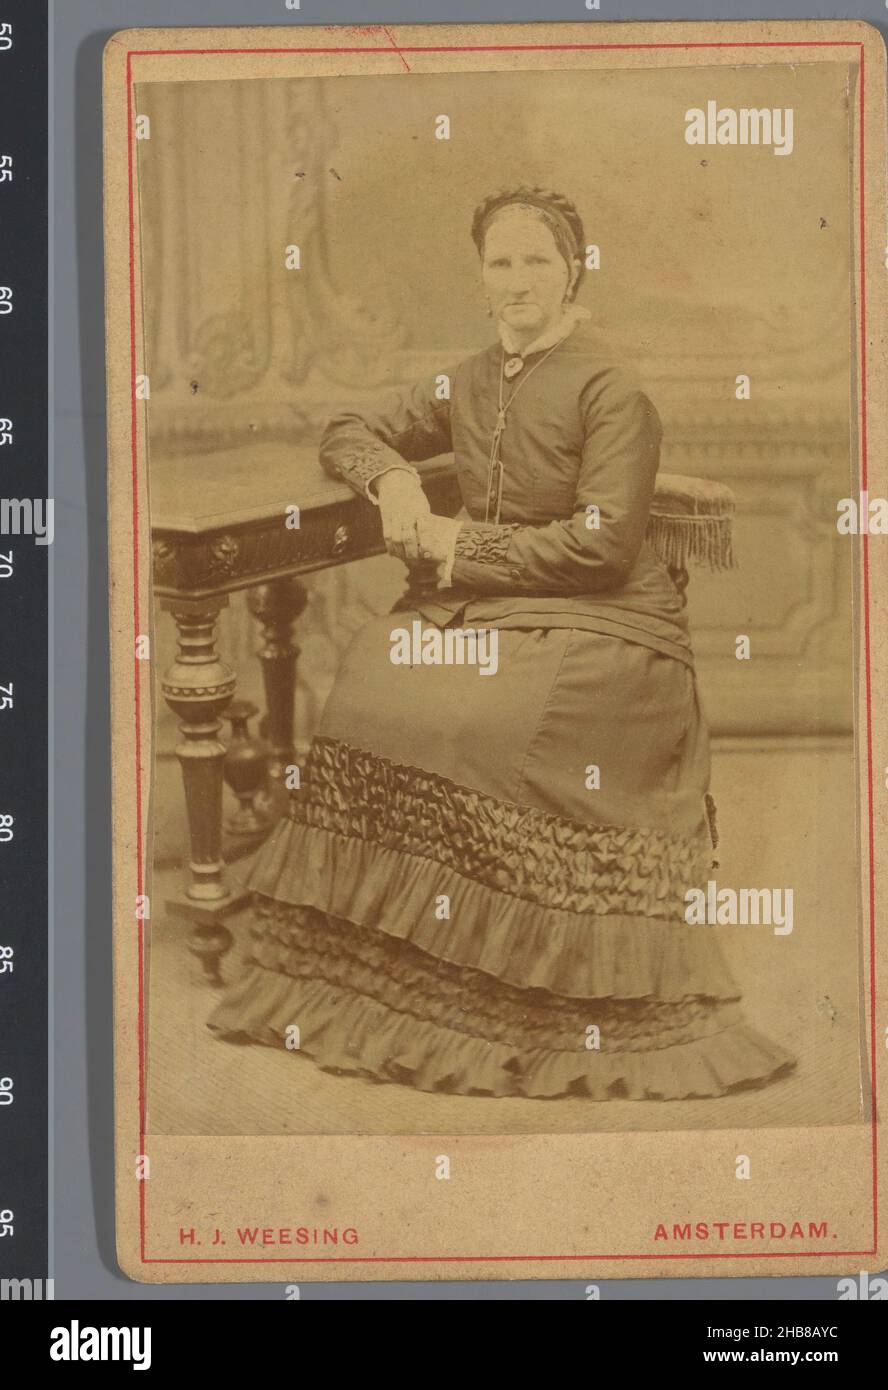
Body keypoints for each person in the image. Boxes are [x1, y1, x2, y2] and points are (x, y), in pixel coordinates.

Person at [207, 185, 796, 1101]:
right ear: (481, 278)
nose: (518, 281)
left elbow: (601, 547)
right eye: (501, 263)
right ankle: (401, 976)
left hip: (606, 623)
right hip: (488, 606)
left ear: (574, 272)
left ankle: (516, 989)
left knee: (485, 725)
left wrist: (454, 543)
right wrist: (397, 482)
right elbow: (349, 428)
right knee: (371, 688)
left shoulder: (613, 388)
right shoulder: (470, 377)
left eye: (537, 262)